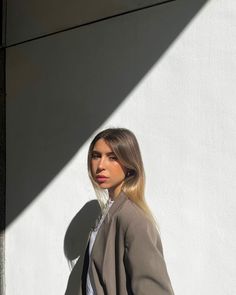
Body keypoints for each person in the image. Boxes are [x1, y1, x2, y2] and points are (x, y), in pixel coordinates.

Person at [80, 128, 174, 295]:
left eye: (112, 157)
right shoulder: (107, 214)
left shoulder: (134, 220)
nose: (101, 166)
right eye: (96, 156)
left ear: (129, 164)